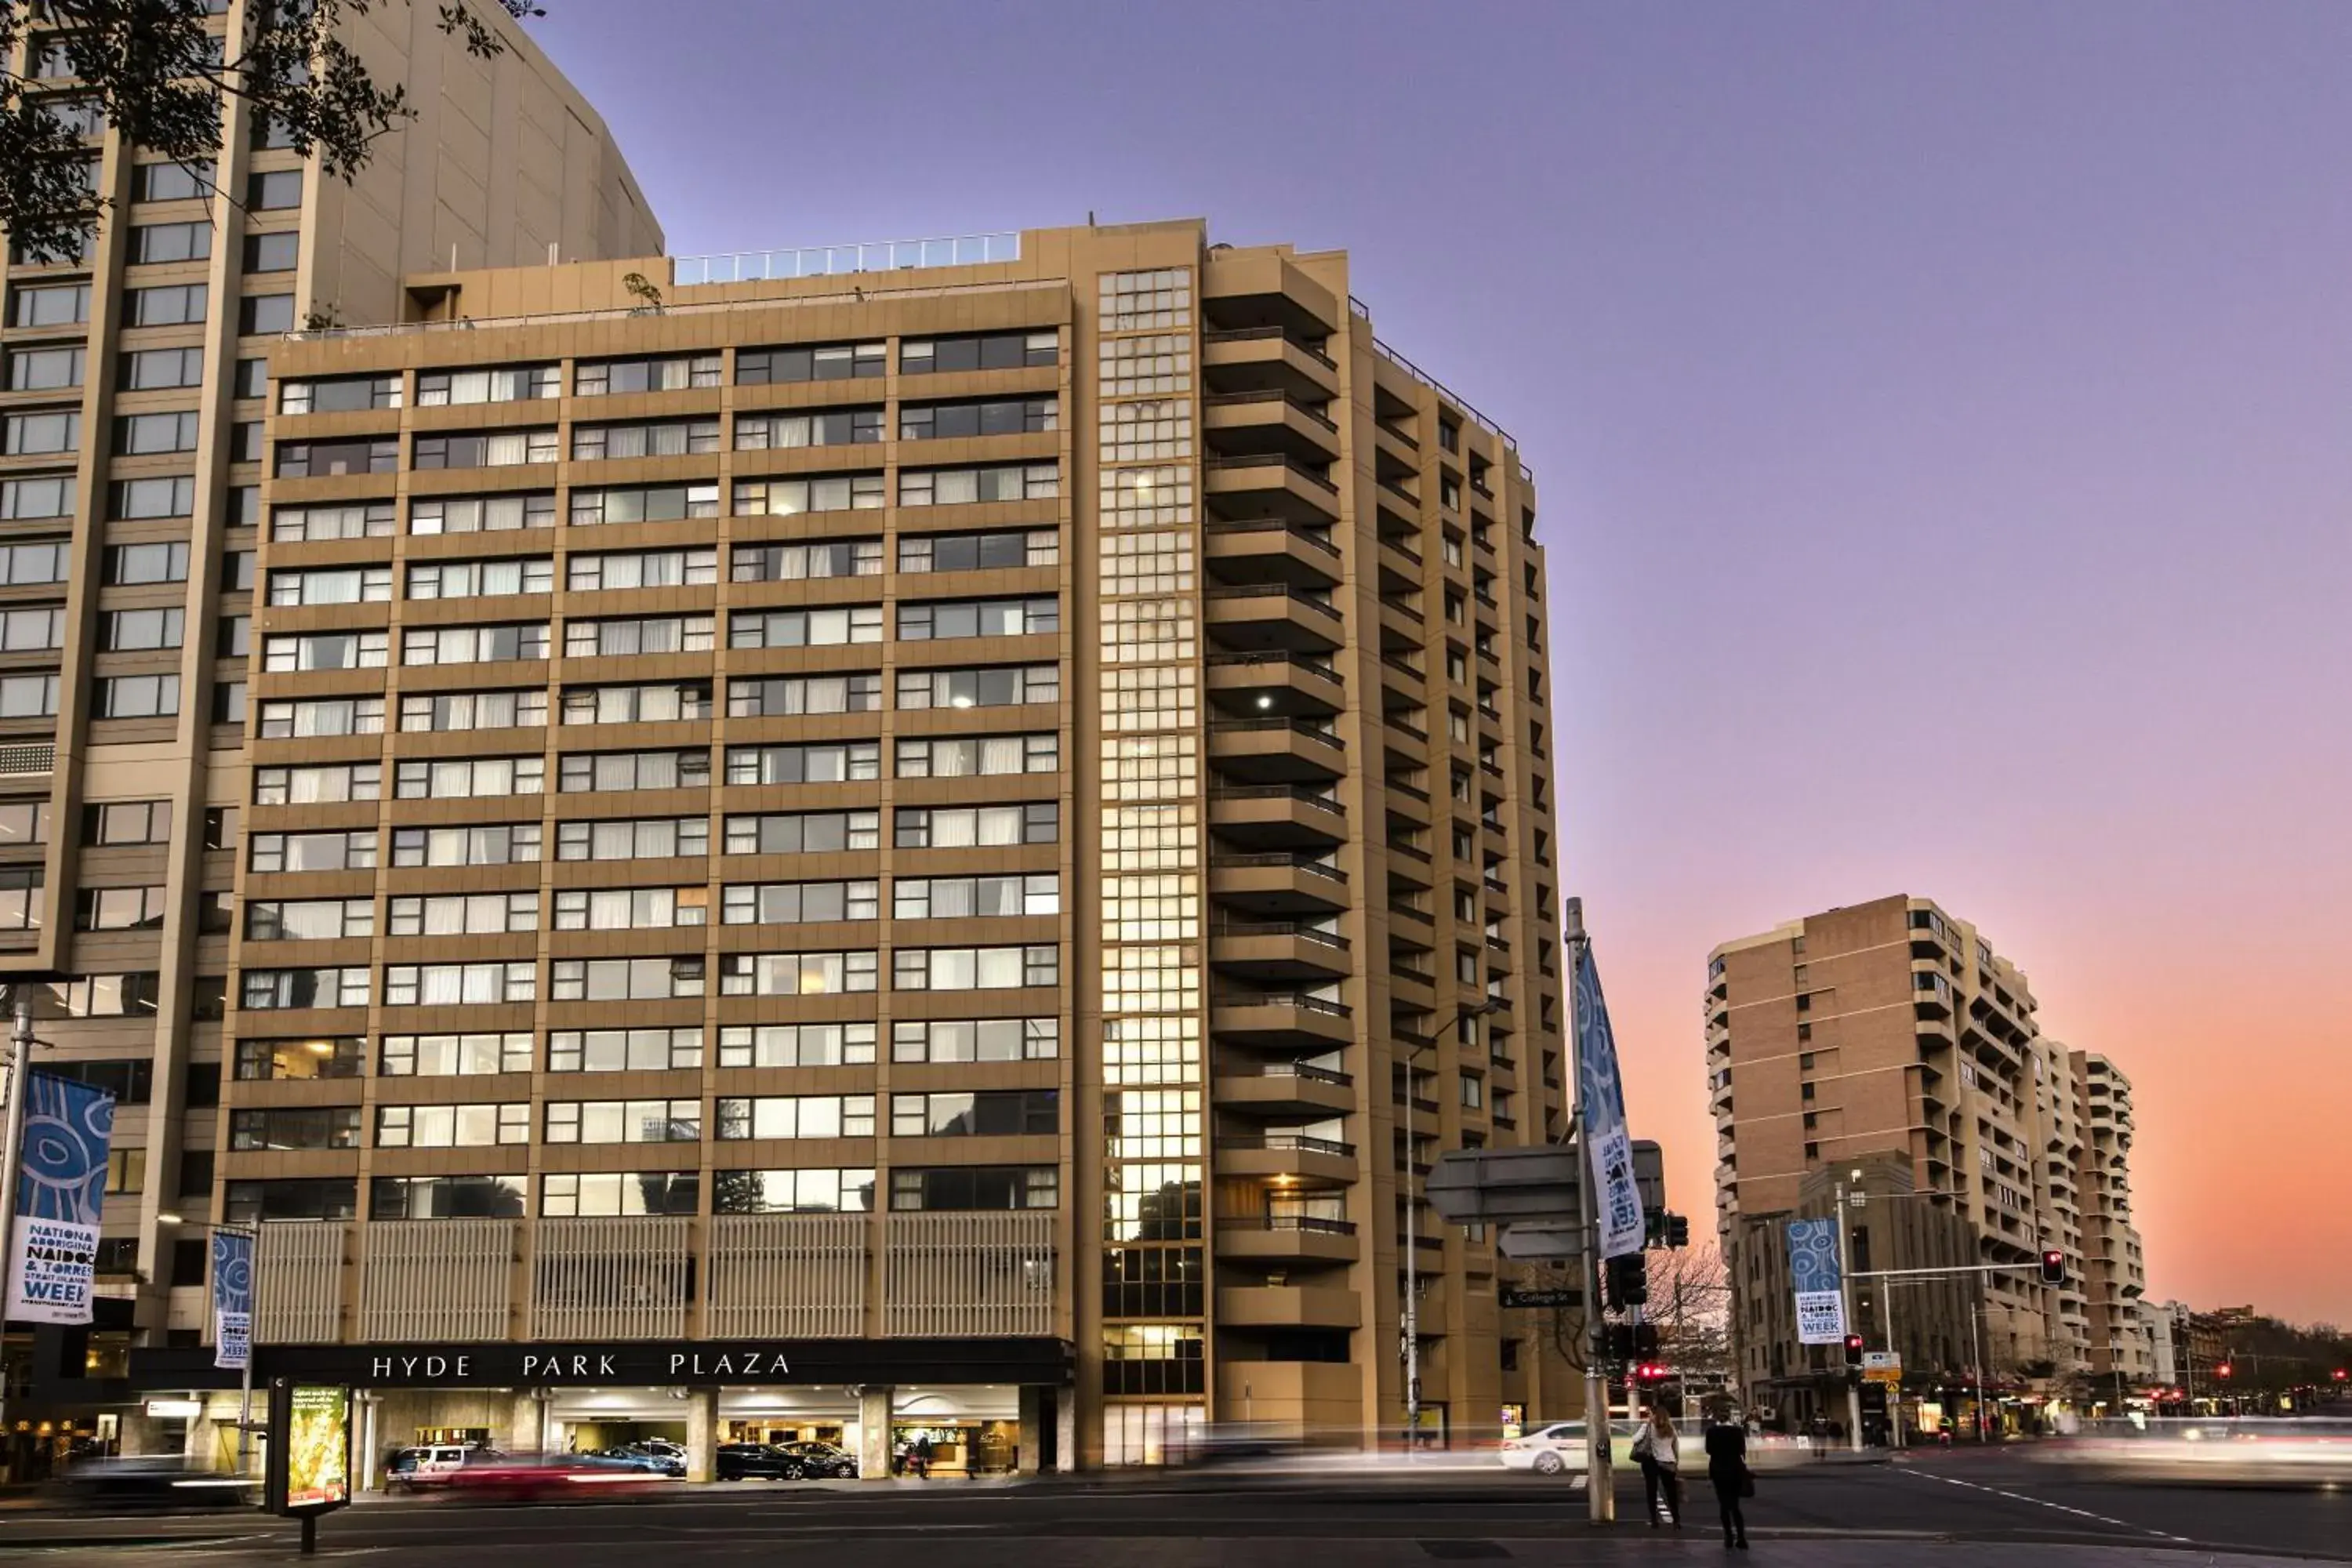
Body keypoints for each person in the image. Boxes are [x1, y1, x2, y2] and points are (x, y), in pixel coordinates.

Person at [1704, 1400, 1751, 1550]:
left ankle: (1728, 1536)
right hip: (1735, 1468)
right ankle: (1742, 1537)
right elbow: (1742, 1450)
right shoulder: (1737, 1431)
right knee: (1735, 1505)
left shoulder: (1711, 1432)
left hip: (1719, 1469)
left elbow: (1709, 1450)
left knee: (1724, 1505)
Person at [1630, 1406, 1682, 1527]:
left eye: (1651, 1414)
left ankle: (1654, 1520)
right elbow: (1675, 1447)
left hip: (1651, 1462)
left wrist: (1645, 1425)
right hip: (1668, 1462)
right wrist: (1676, 1462)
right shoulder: (1671, 1429)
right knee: (1671, 1492)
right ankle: (1676, 1519)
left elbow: (1635, 1439)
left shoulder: (1648, 1426)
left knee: (1651, 1491)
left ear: (1654, 1415)